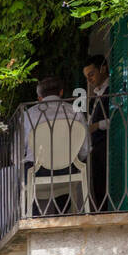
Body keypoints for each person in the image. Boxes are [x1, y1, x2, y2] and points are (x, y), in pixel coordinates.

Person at [22, 76, 88, 215]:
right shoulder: (75, 112)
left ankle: (34, 216)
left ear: (39, 97)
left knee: (24, 172)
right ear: (61, 92)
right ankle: (63, 213)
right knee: (72, 167)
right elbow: (85, 149)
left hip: (38, 170)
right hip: (68, 169)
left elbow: (16, 151)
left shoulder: (29, 115)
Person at [84, 54, 111, 211]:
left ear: (103, 68)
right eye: (87, 77)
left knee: (108, 183)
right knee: (99, 186)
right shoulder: (95, 96)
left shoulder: (112, 91)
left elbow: (118, 119)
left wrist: (96, 126)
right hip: (96, 146)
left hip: (108, 145)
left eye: (91, 74)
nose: (89, 80)